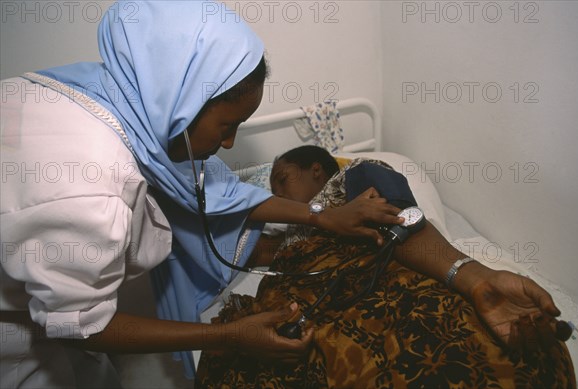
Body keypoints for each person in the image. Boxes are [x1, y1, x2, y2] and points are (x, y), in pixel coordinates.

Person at [0, 2, 404, 387]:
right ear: (183, 102)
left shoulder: (114, 97)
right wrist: (227, 335)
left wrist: (321, 215)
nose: (229, 144)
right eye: (227, 125)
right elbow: (83, 326)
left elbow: (224, 192)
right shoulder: (88, 192)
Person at [196, 145, 576, 388]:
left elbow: (404, 219)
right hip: (315, 304)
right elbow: (220, 241)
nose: (277, 194)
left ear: (316, 169)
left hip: (389, 274)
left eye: (282, 179)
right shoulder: (281, 240)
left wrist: (476, 279)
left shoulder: (354, 177)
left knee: (488, 351)